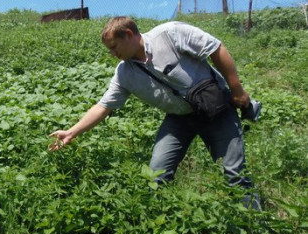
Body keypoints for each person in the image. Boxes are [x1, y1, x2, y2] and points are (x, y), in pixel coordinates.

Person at [48, 17, 262, 209]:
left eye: (114, 47)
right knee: (156, 174)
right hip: (179, 119)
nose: (112, 54)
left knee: (235, 174)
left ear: (129, 35)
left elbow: (216, 48)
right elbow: (104, 106)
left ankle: (255, 227)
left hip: (217, 109)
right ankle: (158, 226)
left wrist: (237, 91)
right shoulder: (125, 73)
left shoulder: (170, 34)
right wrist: (72, 132)